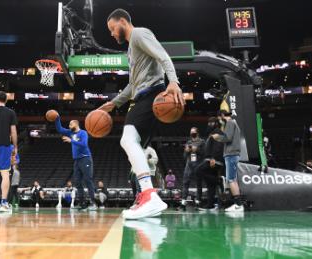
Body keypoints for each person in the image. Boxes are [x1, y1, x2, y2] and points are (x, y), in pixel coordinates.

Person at [99, 8, 184, 219]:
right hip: (143, 96)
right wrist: (113, 103)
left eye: (112, 28)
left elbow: (163, 55)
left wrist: (173, 81)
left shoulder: (139, 34)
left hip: (151, 95)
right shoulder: (131, 49)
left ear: (122, 22)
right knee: (134, 149)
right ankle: (144, 198)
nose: (111, 33)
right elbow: (132, 85)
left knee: (127, 139)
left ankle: (149, 196)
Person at [54, 116, 97, 211]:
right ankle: (82, 204)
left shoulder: (83, 133)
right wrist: (57, 118)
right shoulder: (70, 132)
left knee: (88, 180)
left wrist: (71, 140)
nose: (69, 126)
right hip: (77, 160)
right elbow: (59, 129)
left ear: (76, 124)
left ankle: (93, 203)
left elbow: (84, 144)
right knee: (77, 182)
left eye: (71, 124)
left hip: (85, 158)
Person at [212, 110, 244, 212]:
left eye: (219, 119)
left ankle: (238, 205)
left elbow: (228, 138)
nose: (219, 121)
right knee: (232, 180)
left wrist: (217, 137)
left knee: (231, 180)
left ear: (221, 115)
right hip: (231, 154)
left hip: (231, 154)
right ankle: (238, 204)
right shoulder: (233, 123)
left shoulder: (230, 122)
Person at [198, 117, 224, 212]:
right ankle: (210, 205)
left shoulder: (218, 132)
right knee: (210, 185)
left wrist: (213, 158)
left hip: (214, 160)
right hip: (210, 159)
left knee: (199, 170)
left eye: (211, 122)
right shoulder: (211, 133)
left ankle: (218, 181)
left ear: (216, 123)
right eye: (208, 122)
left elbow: (218, 147)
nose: (209, 124)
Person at [180, 127, 205, 210]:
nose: (192, 134)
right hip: (189, 164)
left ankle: (198, 202)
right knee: (185, 182)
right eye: (191, 132)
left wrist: (196, 149)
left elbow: (204, 153)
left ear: (197, 133)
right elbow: (184, 156)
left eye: (193, 132)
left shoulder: (202, 142)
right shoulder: (188, 142)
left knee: (198, 183)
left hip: (198, 164)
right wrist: (186, 151)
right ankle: (183, 202)